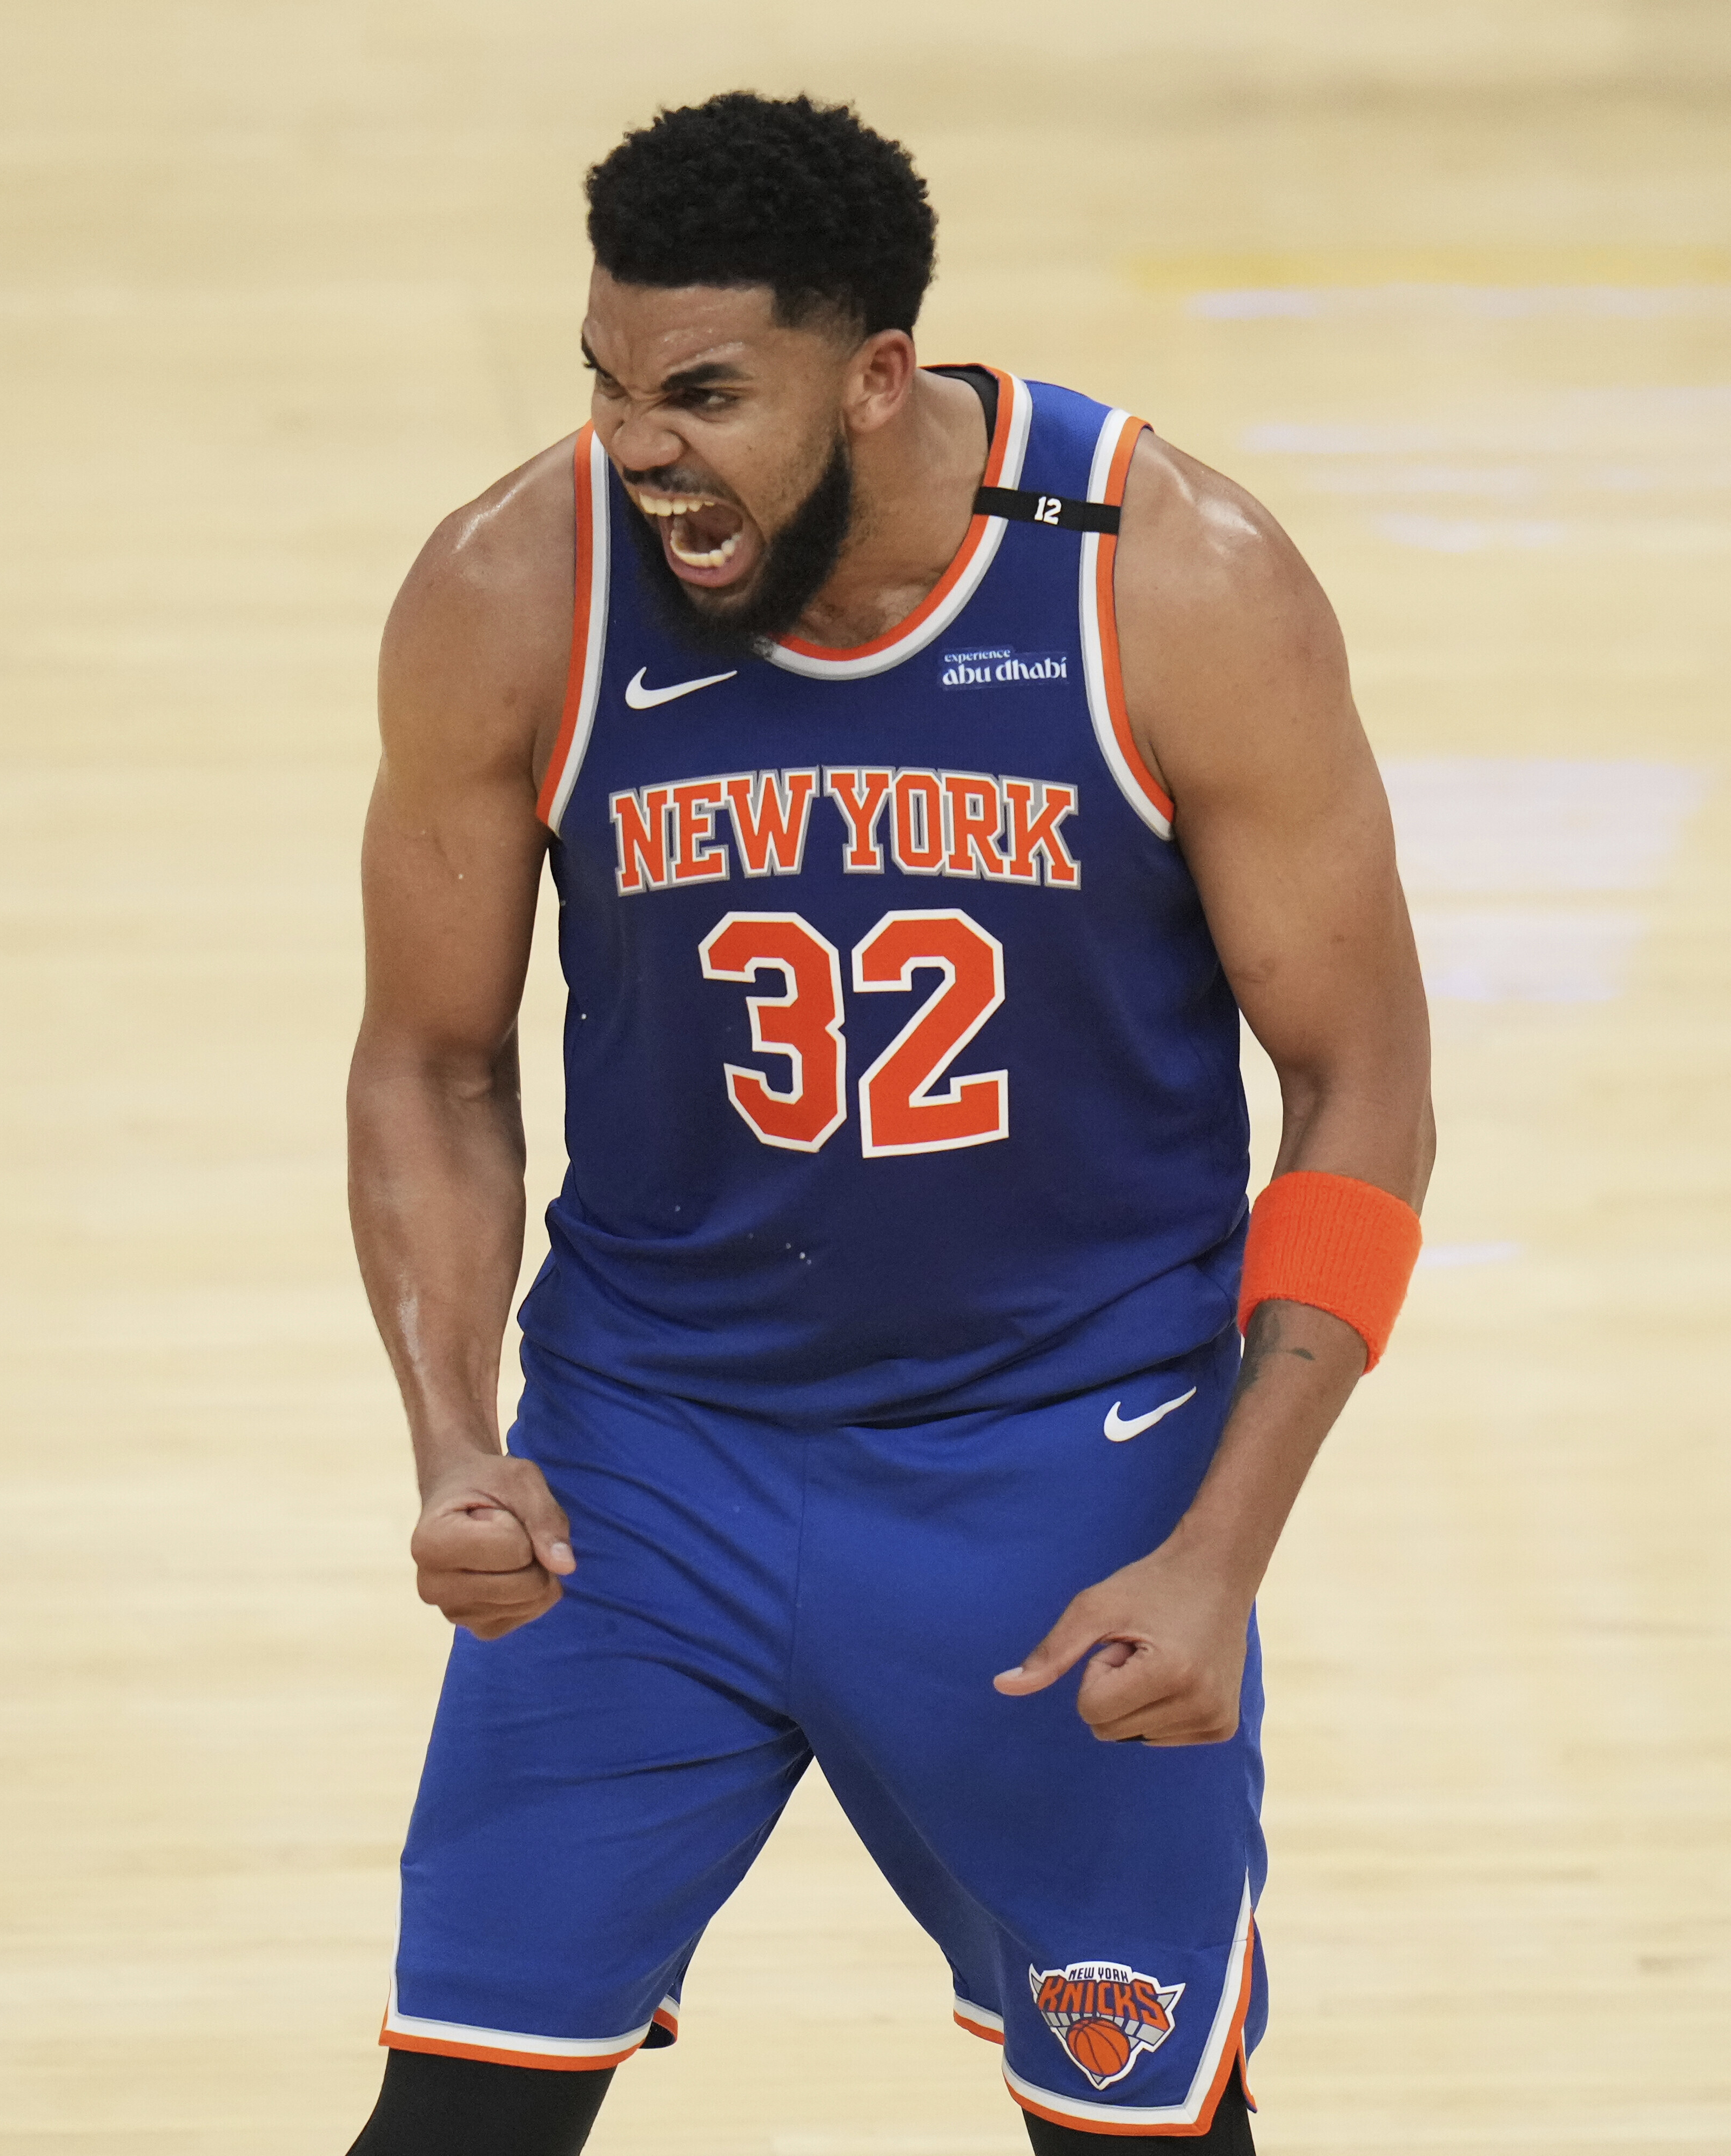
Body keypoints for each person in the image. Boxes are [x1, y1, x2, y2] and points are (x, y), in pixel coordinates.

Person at [342, 91, 1432, 2154]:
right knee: (446, 2128)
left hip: (1056, 1486)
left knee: (1134, 2136)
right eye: (605, 380)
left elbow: (1363, 1087)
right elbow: (430, 1060)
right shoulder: (517, 589)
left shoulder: (1168, 580)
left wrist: (1219, 1552)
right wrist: (454, 1444)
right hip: (642, 1474)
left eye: (702, 393)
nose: (635, 443)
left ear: (871, 377)